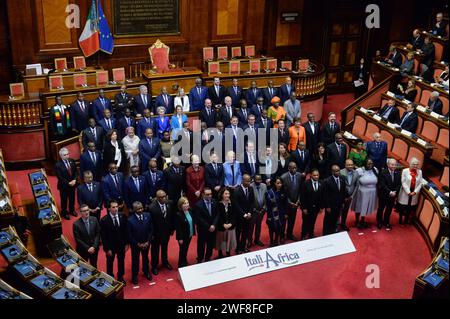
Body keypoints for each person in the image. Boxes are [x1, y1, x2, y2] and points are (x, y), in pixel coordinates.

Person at [100, 200, 128, 284]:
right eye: (113, 207)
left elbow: (126, 231)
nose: (116, 209)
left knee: (121, 261)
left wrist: (127, 243)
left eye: (117, 207)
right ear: (109, 208)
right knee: (109, 263)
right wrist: (107, 249)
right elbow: (103, 236)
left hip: (121, 245)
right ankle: (110, 278)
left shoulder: (122, 216)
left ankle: (120, 276)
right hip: (110, 247)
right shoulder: (104, 220)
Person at [149, 190, 176, 275]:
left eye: (165, 196)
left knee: (165, 247)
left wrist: (172, 229)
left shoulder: (170, 204)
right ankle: (154, 266)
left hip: (166, 232)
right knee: (155, 250)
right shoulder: (151, 208)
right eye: (162, 197)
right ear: (157, 198)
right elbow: (150, 223)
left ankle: (165, 262)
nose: (164, 198)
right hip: (156, 234)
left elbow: (172, 217)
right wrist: (151, 234)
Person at [127, 201, 153, 285]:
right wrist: (137, 244)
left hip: (146, 243)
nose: (140, 210)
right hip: (136, 245)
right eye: (138, 209)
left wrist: (148, 241)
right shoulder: (130, 220)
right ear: (134, 210)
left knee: (145, 258)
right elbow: (129, 235)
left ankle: (146, 272)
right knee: (135, 260)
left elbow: (151, 230)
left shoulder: (148, 216)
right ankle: (134, 276)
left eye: (141, 208)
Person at [350, 159, 379, 229]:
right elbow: (354, 181)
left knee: (366, 207)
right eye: (368, 164)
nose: (370, 165)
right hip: (362, 192)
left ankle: (362, 220)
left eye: (371, 163)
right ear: (365, 164)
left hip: (372, 191)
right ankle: (357, 220)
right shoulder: (359, 170)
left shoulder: (375, 169)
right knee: (359, 206)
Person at [193, 188, 219, 263]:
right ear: (203, 195)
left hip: (213, 228)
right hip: (203, 229)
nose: (210, 196)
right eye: (207, 194)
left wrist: (213, 225)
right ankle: (200, 258)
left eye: (211, 194)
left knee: (210, 244)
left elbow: (217, 214)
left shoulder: (215, 201)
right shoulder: (198, 205)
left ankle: (208, 257)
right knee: (201, 244)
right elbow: (199, 218)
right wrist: (209, 226)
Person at [377, 158, 401, 230]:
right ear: (388, 165)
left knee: (389, 209)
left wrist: (395, 192)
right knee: (381, 209)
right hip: (384, 195)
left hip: (393, 195)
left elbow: (399, 184)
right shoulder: (383, 172)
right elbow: (382, 184)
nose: (394, 166)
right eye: (392, 164)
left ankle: (386, 222)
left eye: (395, 165)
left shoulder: (397, 173)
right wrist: (390, 192)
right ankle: (379, 222)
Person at [397, 157, 423, 225]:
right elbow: (403, 182)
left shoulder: (420, 172)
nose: (415, 166)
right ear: (410, 164)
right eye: (414, 164)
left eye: (417, 164)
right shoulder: (405, 171)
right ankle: (400, 219)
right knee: (403, 206)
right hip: (406, 192)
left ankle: (406, 219)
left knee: (410, 207)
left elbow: (420, 183)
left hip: (414, 193)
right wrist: (408, 192)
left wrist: (415, 192)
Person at [233, 174, 255, 253]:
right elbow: (236, 205)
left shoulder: (251, 189)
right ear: (242, 181)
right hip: (239, 216)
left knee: (245, 232)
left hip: (248, 215)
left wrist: (249, 212)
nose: (249, 183)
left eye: (249, 181)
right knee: (238, 233)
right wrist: (244, 214)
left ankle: (243, 247)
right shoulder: (236, 191)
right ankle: (238, 248)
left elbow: (252, 202)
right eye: (247, 181)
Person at [300, 169, 324, 239]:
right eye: (314, 175)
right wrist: (303, 208)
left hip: (316, 207)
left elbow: (322, 196)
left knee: (313, 221)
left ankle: (311, 233)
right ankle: (303, 235)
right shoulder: (305, 183)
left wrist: (321, 207)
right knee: (305, 222)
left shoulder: (321, 183)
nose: (316, 177)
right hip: (307, 207)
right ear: (310, 175)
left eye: (317, 175)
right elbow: (302, 197)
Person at [281, 162, 302, 241]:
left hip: (295, 202)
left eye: (295, 168)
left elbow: (300, 189)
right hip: (286, 203)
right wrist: (290, 202)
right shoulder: (283, 177)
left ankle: (289, 234)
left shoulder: (299, 175)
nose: (294, 169)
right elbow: (282, 193)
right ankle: (282, 235)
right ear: (289, 168)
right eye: (292, 168)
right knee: (284, 221)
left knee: (292, 220)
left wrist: (298, 201)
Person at [322, 165, 346, 235]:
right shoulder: (327, 181)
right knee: (328, 219)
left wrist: (343, 202)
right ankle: (326, 232)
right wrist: (327, 206)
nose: (337, 172)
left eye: (338, 170)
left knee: (336, 218)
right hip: (330, 205)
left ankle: (333, 230)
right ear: (332, 172)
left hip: (339, 204)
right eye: (335, 171)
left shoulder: (342, 178)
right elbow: (325, 195)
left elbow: (343, 192)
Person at [55, 148, 78, 220]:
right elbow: (60, 177)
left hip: (73, 184)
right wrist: (68, 183)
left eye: (68, 154)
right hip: (64, 186)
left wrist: (74, 179)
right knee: (64, 200)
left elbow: (76, 172)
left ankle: (72, 210)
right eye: (65, 155)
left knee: (72, 198)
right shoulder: (58, 165)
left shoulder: (72, 161)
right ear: (61, 156)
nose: (67, 156)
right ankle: (64, 212)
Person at [216, 188, 237, 258]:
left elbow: (235, 215)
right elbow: (218, 216)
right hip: (221, 227)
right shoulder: (218, 204)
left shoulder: (233, 203)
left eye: (228, 194)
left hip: (230, 225)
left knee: (229, 240)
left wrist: (231, 224)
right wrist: (223, 224)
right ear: (222, 195)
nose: (227, 195)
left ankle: (228, 252)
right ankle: (220, 253)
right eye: (225, 194)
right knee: (221, 240)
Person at [265, 177, 287, 246]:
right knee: (271, 228)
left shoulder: (284, 191)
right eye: (278, 183)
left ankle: (276, 240)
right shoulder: (270, 192)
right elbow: (268, 206)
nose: (280, 185)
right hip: (272, 213)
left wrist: (286, 213)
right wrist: (268, 216)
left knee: (279, 227)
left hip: (281, 213)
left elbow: (286, 203)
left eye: (281, 183)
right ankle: (271, 241)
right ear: (274, 183)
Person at [175, 197, 195, 268]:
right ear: (181, 205)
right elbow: (178, 228)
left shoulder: (190, 211)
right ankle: (181, 264)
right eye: (184, 203)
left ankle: (184, 261)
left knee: (186, 249)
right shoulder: (178, 214)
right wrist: (180, 238)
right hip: (183, 237)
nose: (187, 205)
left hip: (189, 234)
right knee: (182, 250)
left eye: (187, 203)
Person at [340, 159, 358, 231]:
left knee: (345, 211)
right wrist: (343, 196)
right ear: (345, 165)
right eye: (348, 165)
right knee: (338, 210)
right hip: (341, 196)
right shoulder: (341, 172)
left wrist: (352, 196)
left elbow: (357, 186)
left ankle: (343, 224)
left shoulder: (356, 173)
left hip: (350, 197)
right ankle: (336, 224)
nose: (350, 166)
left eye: (351, 165)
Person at [250, 175, 267, 247]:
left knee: (258, 225)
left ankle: (257, 239)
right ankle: (249, 241)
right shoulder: (250, 186)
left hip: (262, 211)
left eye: (260, 179)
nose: (259, 181)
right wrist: (255, 209)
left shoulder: (264, 186)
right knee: (251, 226)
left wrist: (263, 208)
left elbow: (266, 198)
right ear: (254, 180)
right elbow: (249, 200)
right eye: (257, 180)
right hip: (253, 211)